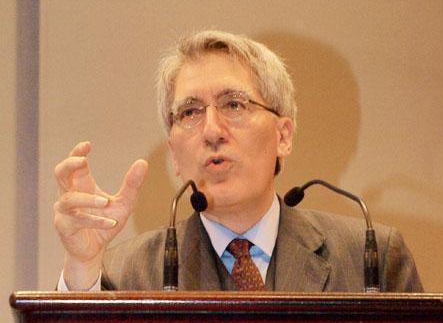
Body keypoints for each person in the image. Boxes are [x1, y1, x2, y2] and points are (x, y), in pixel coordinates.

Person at [53, 30, 422, 292]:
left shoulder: (369, 259)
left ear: (283, 136)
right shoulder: (124, 273)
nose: (212, 130)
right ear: (174, 155)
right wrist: (83, 264)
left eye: (234, 105)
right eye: (191, 112)